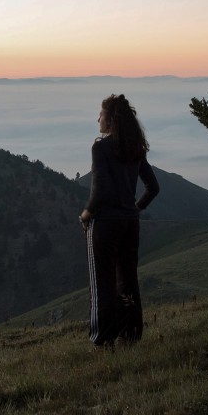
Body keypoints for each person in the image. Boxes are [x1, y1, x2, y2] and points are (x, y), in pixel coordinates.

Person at [79, 94, 159, 347]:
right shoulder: (135, 147)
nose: (97, 119)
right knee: (128, 280)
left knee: (101, 282)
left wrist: (86, 214)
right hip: (129, 224)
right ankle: (131, 334)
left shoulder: (100, 148)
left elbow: (99, 190)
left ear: (111, 119)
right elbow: (153, 187)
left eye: (101, 114)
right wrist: (135, 208)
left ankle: (102, 340)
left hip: (105, 224)